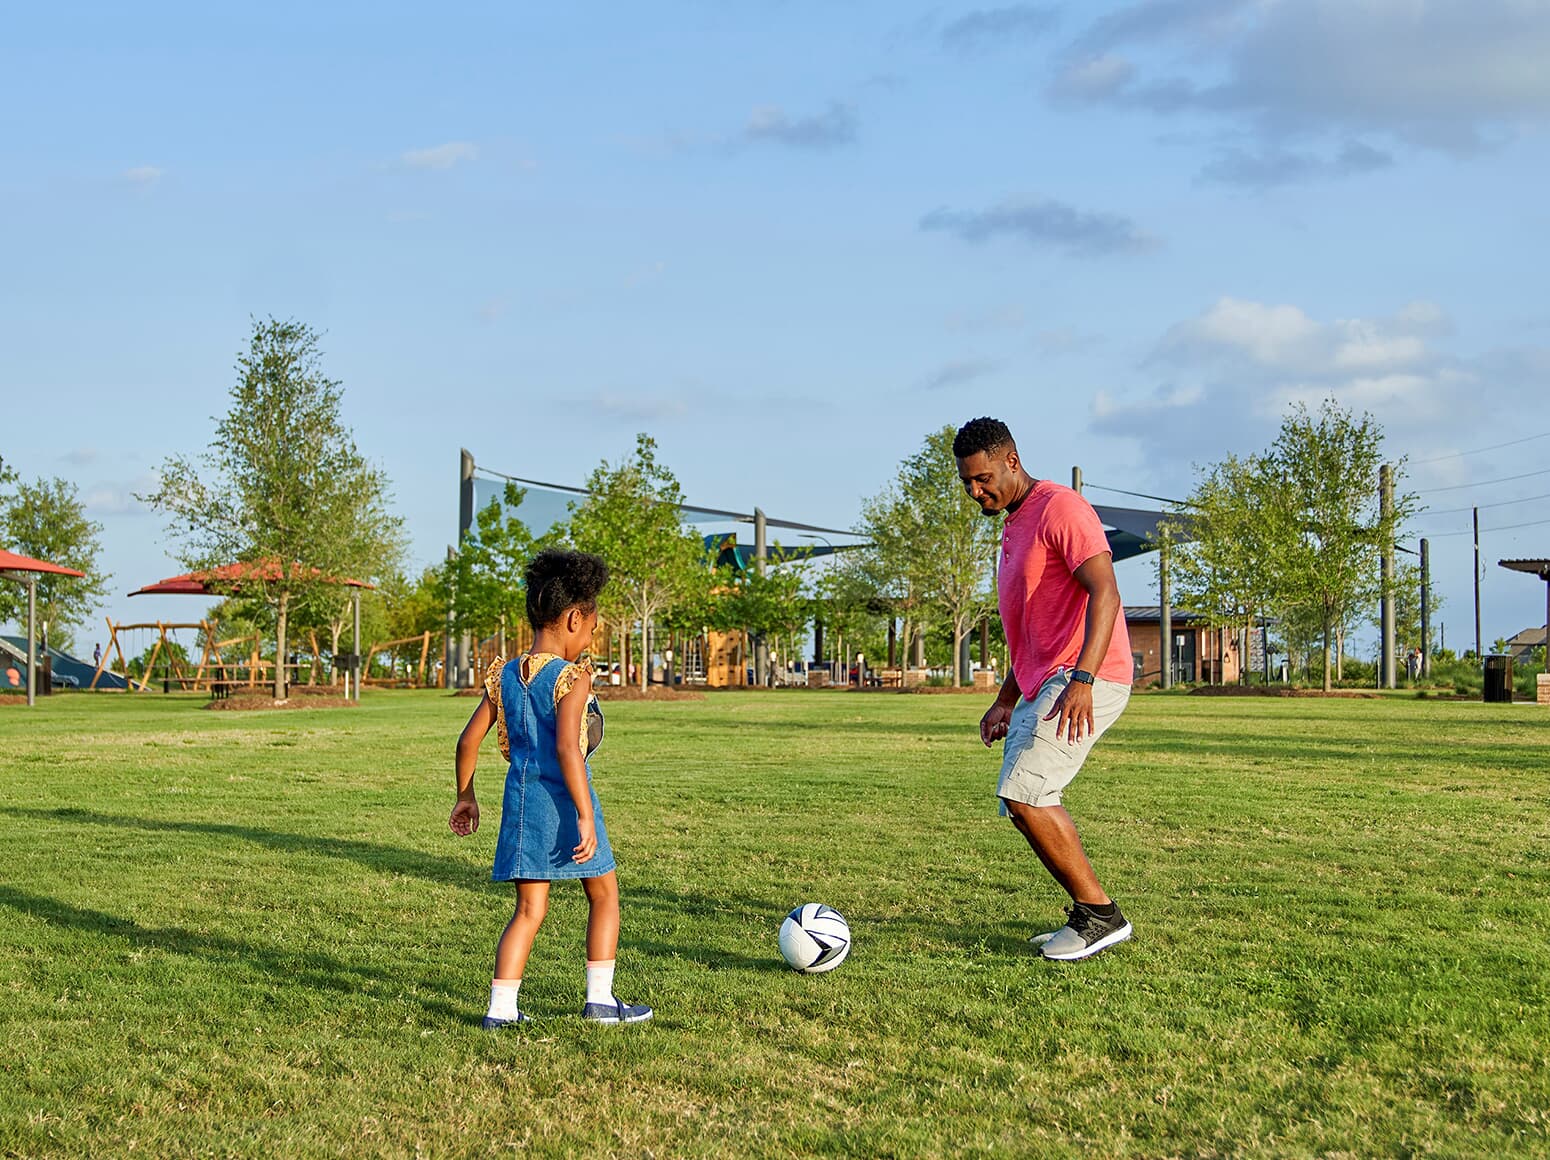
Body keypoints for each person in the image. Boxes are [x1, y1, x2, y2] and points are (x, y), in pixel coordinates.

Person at [954, 417, 1136, 962]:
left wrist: (1082, 679)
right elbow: (1034, 628)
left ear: (1011, 460)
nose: (974, 491)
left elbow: (1105, 590)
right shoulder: (1015, 523)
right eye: (966, 483)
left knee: (1025, 793)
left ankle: (1100, 916)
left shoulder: (1061, 508)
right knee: (1021, 802)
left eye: (983, 478)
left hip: (1084, 676)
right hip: (1043, 680)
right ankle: (1090, 914)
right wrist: (1006, 697)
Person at [449, 548, 652, 1027]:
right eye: (592, 628)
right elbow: (567, 750)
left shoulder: (503, 677)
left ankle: (501, 1011)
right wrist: (584, 813)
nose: (591, 638)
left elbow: (466, 740)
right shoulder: (571, 678)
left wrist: (466, 795)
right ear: (574, 618)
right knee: (603, 895)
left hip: (520, 807)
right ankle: (601, 1001)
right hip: (565, 803)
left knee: (527, 910)